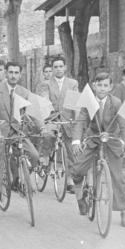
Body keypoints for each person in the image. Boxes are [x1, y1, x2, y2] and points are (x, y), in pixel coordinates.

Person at [70, 72, 125, 227]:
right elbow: (80, 121)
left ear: (110, 87)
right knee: (78, 169)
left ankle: (124, 210)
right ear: (94, 86)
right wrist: (76, 141)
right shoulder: (88, 102)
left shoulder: (116, 103)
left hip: (111, 139)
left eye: (106, 85)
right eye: (99, 85)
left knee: (117, 177)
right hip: (93, 138)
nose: (102, 89)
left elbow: (124, 125)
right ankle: (80, 196)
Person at [0, 61, 40, 219]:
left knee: (34, 155)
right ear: (6, 73)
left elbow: (33, 113)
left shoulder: (24, 92)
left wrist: (41, 127)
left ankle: (20, 178)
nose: (13, 75)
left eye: (16, 73)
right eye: (10, 72)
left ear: (20, 75)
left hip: (17, 132)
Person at [37, 55, 79, 192]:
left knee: (71, 149)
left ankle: (70, 180)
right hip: (52, 118)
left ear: (65, 68)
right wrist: (47, 116)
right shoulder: (46, 84)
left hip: (67, 119)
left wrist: (76, 120)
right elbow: (44, 101)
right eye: (55, 67)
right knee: (48, 136)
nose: (58, 69)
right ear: (52, 69)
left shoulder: (72, 83)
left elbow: (75, 103)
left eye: (61, 66)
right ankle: (44, 161)